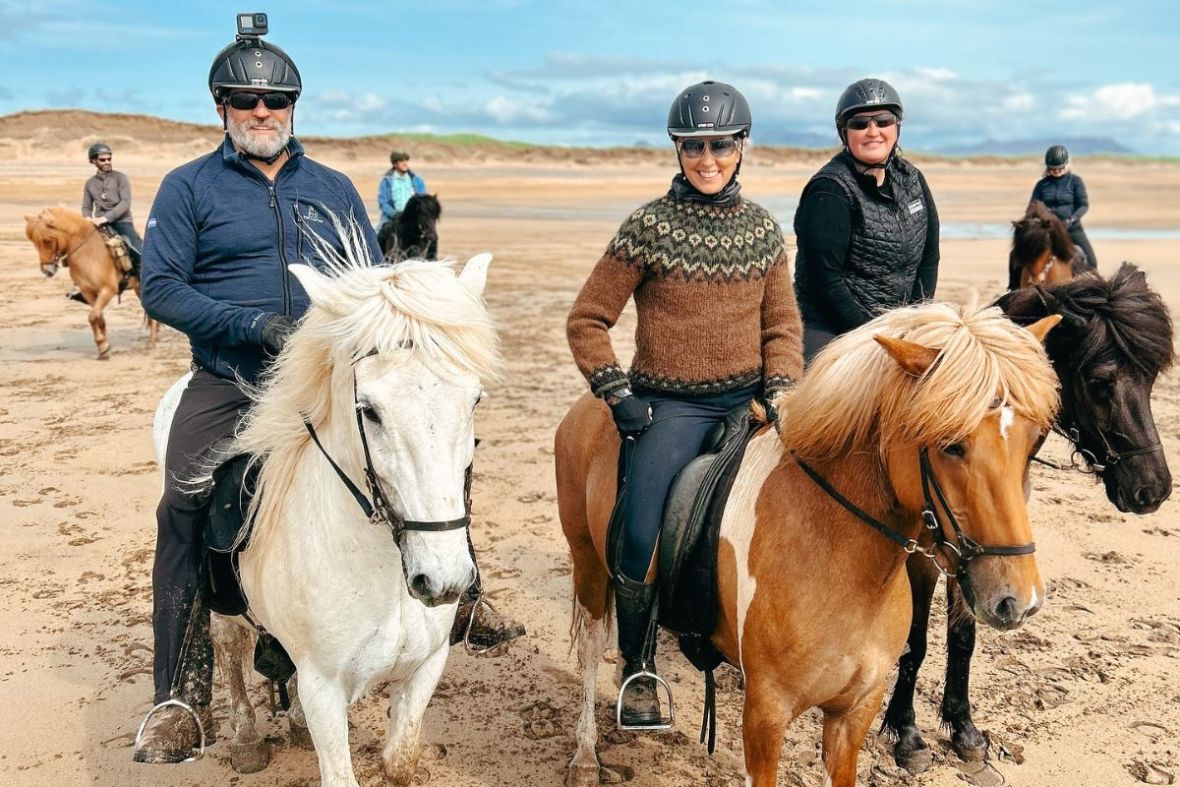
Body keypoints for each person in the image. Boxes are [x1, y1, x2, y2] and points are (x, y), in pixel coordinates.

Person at [133, 18, 521, 765]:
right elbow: (161, 287)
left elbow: (373, 284)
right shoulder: (189, 188)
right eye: (244, 100)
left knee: (432, 441)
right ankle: (180, 693)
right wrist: (251, 325)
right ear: (221, 107)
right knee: (183, 502)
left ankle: (463, 591)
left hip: (327, 378)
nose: (261, 112)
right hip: (234, 379)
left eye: (275, 100)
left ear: (293, 107)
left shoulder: (333, 189)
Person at [566, 80, 804, 727]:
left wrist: (782, 384)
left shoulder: (761, 230)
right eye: (694, 145)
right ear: (677, 148)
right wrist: (617, 394)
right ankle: (637, 665)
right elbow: (588, 319)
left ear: (741, 147)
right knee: (640, 532)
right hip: (668, 409)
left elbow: (783, 326)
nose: (707, 158)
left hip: (747, 406)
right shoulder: (648, 227)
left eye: (720, 145)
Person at [792, 78, 940, 363]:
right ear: (844, 132)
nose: (873, 131)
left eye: (883, 121)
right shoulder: (830, 190)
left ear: (896, 126)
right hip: (830, 324)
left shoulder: (912, 179)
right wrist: (871, 335)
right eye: (860, 124)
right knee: (819, 395)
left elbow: (929, 258)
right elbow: (826, 281)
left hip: (901, 324)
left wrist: (917, 319)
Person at [1030, 144, 1098, 270]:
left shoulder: (1075, 182)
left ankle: (1094, 287)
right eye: (1053, 169)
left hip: (1071, 228)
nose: (1056, 171)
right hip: (1047, 229)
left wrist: (1072, 219)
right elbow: (1033, 206)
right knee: (1020, 254)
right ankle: (1013, 286)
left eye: (1060, 168)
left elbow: (1083, 205)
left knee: (1092, 261)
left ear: (1066, 164)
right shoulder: (1041, 185)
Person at [82, 141, 143, 258]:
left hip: (122, 222)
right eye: (102, 160)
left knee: (137, 252)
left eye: (109, 159)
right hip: (98, 224)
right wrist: (88, 219)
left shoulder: (120, 178)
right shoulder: (90, 183)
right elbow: (87, 206)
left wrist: (105, 218)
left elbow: (125, 203)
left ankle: (143, 274)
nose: (107, 162)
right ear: (93, 161)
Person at [376, 150, 427, 251]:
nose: (405, 163)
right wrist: (394, 214)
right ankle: (377, 261)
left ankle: (431, 259)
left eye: (406, 160)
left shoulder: (417, 180)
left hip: (413, 219)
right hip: (392, 218)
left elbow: (423, 200)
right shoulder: (386, 181)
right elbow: (383, 202)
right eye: (401, 160)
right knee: (377, 235)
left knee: (430, 236)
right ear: (395, 164)